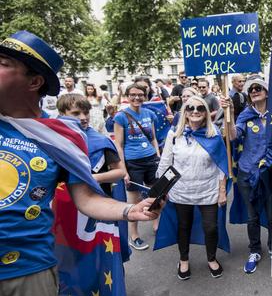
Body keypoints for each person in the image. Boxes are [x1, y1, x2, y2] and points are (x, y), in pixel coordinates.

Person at [0, 30, 157, 296]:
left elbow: (85, 199)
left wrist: (128, 210)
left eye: (3, 62)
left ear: (34, 82)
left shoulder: (61, 137)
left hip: (27, 274)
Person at [157, 96, 227, 280]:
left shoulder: (214, 134)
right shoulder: (174, 135)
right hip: (181, 191)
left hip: (208, 189)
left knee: (211, 227)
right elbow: (165, 164)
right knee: (183, 226)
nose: (195, 111)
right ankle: (184, 259)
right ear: (185, 112)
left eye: (200, 108)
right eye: (190, 108)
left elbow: (221, 165)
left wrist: (221, 191)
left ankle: (211, 258)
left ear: (206, 112)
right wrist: (161, 191)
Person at [220, 74, 272, 273]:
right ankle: (254, 251)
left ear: (266, 92)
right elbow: (232, 135)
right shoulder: (246, 115)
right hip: (248, 173)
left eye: (258, 88)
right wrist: (228, 113)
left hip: (271, 172)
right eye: (251, 89)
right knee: (252, 216)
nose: (255, 91)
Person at [114, 83, 161, 250]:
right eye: (133, 94)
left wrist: (158, 157)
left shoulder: (149, 114)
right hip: (133, 163)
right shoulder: (121, 116)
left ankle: (156, 225)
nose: (137, 98)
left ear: (145, 96)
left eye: (140, 94)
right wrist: (123, 170)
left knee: (155, 194)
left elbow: (153, 138)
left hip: (151, 160)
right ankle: (133, 235)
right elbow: (118, 145)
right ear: (127, 96)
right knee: (134, 201)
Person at [57, 94, 125, 196]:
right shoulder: (53, 138)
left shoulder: (101, 141)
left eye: (86, 113)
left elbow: (120, 172)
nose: (83, 117)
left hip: (97, 198)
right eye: (76, 113)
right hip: (62, 198)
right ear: (62, 114)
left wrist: (93, 178)